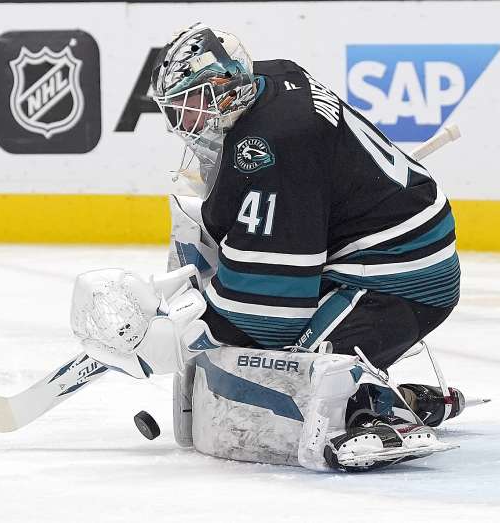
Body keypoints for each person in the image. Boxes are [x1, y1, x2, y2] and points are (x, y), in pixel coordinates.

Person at [71, 23, 467, 472]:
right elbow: (244, 213)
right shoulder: (272, 79)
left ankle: (381, 410)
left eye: (194, 103)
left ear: (227, 87)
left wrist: (194, 333)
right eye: (178, 108)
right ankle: (406, 395)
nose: (185, 123)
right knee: (271, 360)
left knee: (287, 371)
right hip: (367, 248)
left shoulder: (271, 145)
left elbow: (271, 311)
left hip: (398, 277)